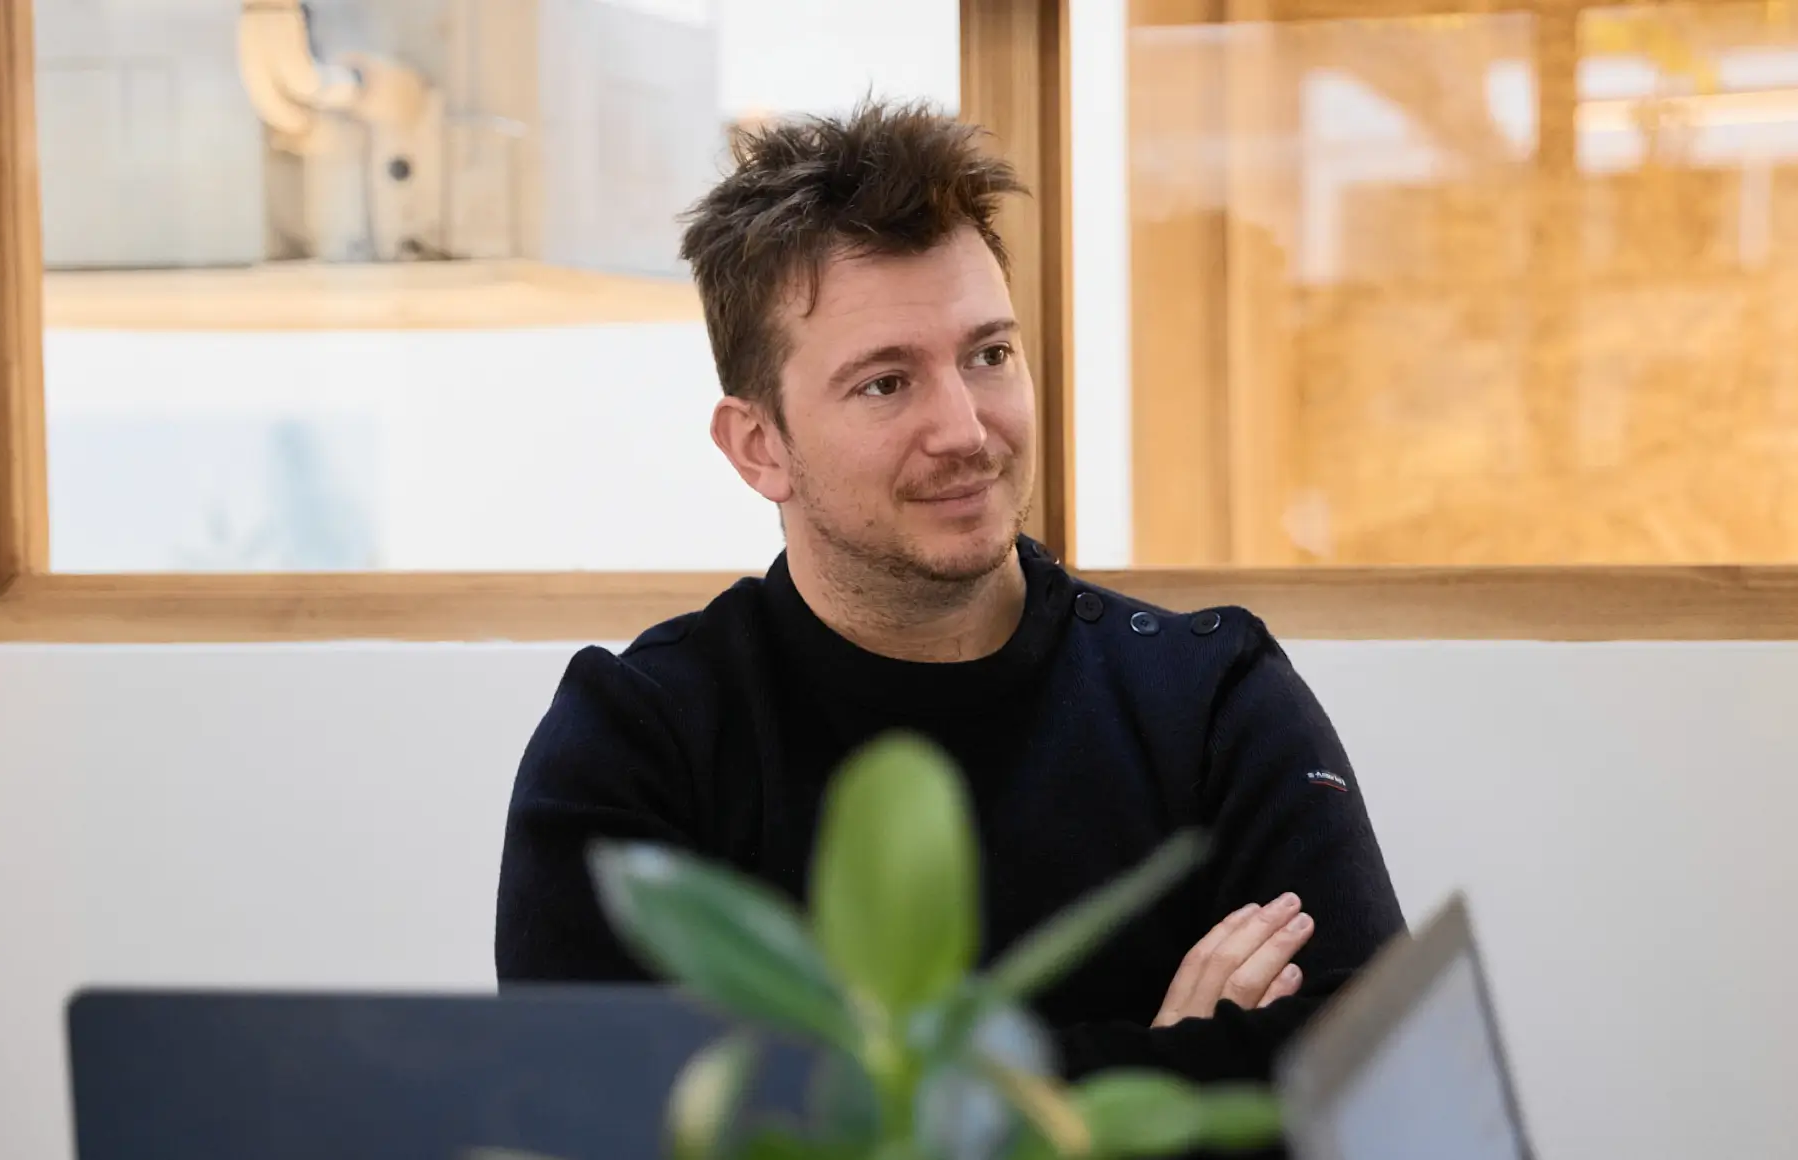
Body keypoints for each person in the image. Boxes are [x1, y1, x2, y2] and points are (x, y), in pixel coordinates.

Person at [495, 100, 1405, 1083]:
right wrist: (1152, 1073)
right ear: (759, 446)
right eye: (887, 382)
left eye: (989, 354)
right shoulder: (638, 744)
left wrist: (842, 1095)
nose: (967, 428)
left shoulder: (1214, 700)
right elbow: (604, 1116)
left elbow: (1375, 1079)